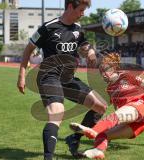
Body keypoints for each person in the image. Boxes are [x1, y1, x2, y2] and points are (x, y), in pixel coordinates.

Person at [17, 0, 107, 159]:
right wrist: (22, 75)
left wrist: (91, 53)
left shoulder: (78, 29)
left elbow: (85, 46)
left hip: (69, 79)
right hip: (49, 76)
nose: (83, 14)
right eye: (81, 10)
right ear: (70, 6)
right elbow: (28, 49)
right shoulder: (48, 27)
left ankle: (74, 138)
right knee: (57, 113)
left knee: (100, 106)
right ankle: (48, 157)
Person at [69, 51, 144, 159]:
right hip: (138, 125)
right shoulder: (109, 89)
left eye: (106, 70)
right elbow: (112, 109)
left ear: (114, 68)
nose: (103, 74)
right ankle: (97, 151)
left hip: (140, 105)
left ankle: (92, 131)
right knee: (103, 134)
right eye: (101, 71)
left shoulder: (127, 75)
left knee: (112, 118)